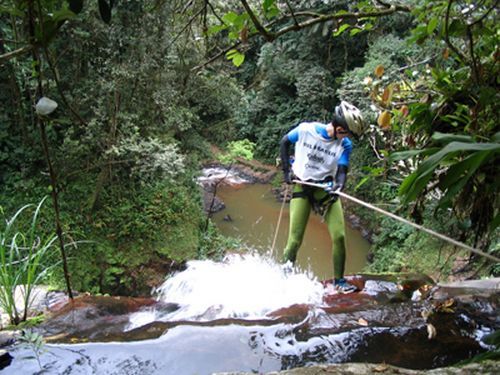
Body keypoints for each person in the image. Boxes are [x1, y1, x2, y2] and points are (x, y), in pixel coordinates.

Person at [279, 101, 364, 294]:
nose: (349, 137)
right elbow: (285, 142)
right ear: (340, 128)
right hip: (303, 185)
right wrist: (286, 173)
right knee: (294, 240)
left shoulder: (345, 144)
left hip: (325, 189)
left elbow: (342, 170)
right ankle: (283, 279)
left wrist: (339, 186)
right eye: (348, 133)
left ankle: (339, 282)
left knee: (340, 236)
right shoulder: (306, 130)